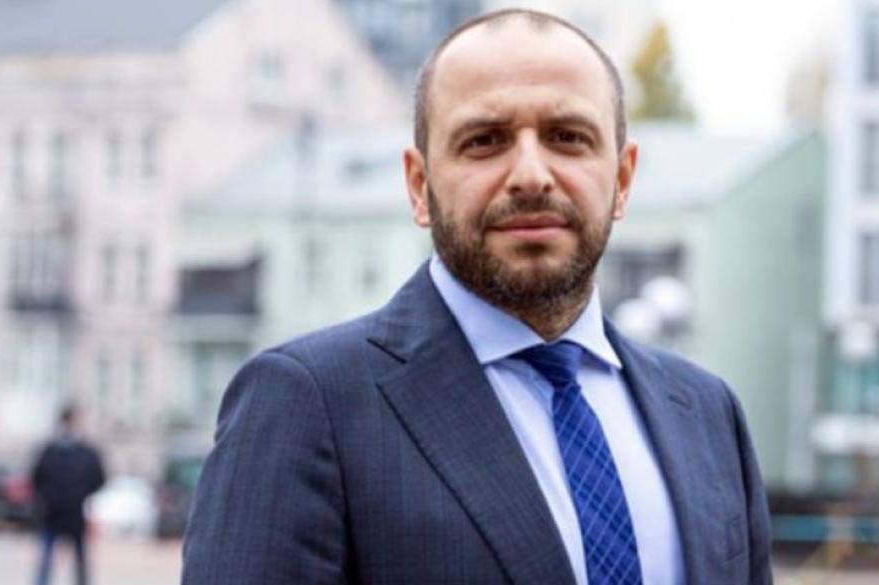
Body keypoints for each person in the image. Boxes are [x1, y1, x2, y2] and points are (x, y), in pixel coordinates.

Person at [182, 8, 772, 585]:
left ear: (621, 179)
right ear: (420, 186)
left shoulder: (706, 413)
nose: (531, 175)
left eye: (568, 138)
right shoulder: (309, 404)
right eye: (485, 141)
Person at [31, 405, 106, 585]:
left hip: (75, 512)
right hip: (53, 513)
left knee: (79, 560)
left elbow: (99, 477)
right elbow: (36, 478)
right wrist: (49, 496)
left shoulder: (85, 452)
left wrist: (82, 494)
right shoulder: (50, 451)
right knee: (47, 559)